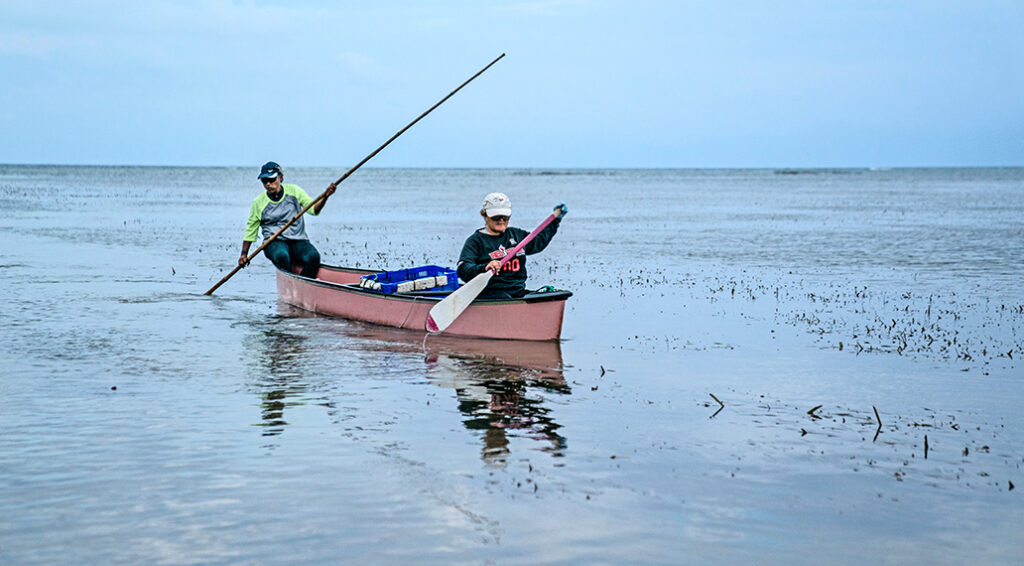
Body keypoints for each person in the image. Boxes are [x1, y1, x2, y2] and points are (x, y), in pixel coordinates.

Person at [456, 192, 568, 300]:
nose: (501, 220)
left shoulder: (516, 235)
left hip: (517, 291)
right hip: (489, 292)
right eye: (496, 217)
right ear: (485, 216)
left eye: (505, 217)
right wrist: (485, 267)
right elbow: (463, 269)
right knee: (504, 297)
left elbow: (538, 242)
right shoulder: (475, 241)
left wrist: (555, 221)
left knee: (550, 294)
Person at [239, 161, 337, 278]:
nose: (268, 184)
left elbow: (314, 210)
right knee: (281, 256)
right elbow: (251, 229)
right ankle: (291, 281)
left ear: (280, 178)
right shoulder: (258, 202)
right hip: (274, 242)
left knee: (313, 257)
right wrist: (244, 254)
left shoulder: (294, 191)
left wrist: (326, 196)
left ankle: (304, 283)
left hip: (298, 240)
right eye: (265, 181)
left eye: (272, 180)